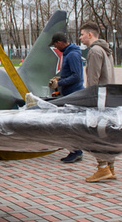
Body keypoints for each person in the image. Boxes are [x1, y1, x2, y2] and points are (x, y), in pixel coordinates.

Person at [79, 20, 116, 182]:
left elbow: (92, 81)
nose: (80, 38)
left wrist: (88, 101)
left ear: (89, 34)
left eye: (81, 35)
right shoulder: (106, 50)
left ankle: (102, 167)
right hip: (109, 98)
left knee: (94, 135)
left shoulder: (94, 52)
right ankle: (110, 167)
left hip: (98, 100)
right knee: (106, 135)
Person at [49, 31, 84, 163]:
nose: (56, 48)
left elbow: (77, 76)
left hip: (73, 94)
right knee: (69, 125)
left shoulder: (73, 55)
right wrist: (60, 80)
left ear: (59, 42)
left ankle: (76, 151)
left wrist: (60, 83)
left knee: (71, 125)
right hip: (70, 93)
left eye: (55, 45)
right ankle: (75, 150)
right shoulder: (69, 53)